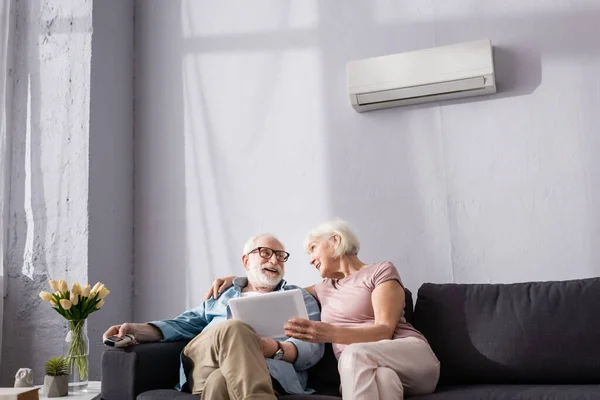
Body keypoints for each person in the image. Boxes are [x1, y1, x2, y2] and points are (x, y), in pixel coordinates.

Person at [206, 220, 440, 400]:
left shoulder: (379, 272)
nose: (310, 260)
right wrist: (239, 280)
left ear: (336, 241)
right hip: (373, 370)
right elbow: (275, 290)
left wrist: (329, 333)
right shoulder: (323, 288)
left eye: (313, 248)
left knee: (354, 353)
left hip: (411, 358)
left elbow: (383, 332)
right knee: (384, 380)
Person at [104, 234, 324, 399]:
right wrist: (137, 330)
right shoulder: (223, 294)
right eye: (265, 252)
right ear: (246, 261)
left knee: (219, 383)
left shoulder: (299, 298)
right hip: (206, 362)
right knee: (235, 328)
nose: (274, 260)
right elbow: (183, 324)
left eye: (280, 256)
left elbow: (313, 347)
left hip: (269, 372)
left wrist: (275, 348)